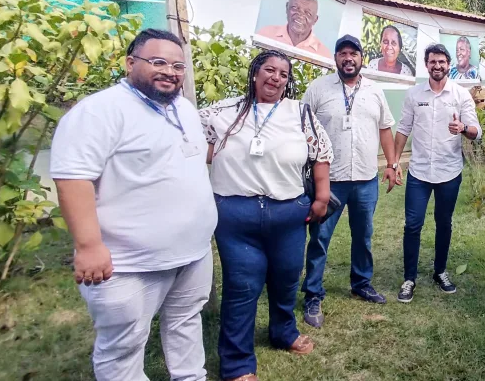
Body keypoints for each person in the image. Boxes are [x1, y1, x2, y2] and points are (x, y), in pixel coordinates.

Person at [50, 28, 217, 381]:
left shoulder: (183, 108)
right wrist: (88, 245)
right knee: (122, 349)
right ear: (130, 63)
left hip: (193, 254)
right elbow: (72, 179)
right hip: (128, 264)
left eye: (177, 66)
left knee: (186, 325)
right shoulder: (100, 112)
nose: (169, 72)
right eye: (158, 62)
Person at [199, 50, 334, 381]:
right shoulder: (223, 112)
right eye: (269, 70)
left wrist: (322, 196)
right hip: (236, 214)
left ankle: (283, 332)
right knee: (243, 284)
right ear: (255, 72)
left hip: (288, 212)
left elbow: (321, 152)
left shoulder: (300, 113)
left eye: (283, 74)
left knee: (287, 276)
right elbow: (188, 145)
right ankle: (237, 362)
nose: (276, 78)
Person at [301, 35, 398, 328]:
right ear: (335, 58)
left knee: (364, 235)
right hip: (328, 181)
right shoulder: (318, 89)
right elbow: (303, 128)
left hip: (366, 180)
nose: (348, 58)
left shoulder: (374, 91)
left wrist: (393, 164)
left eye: (353, 53)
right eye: (342, 53)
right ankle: (313, 294)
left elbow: (385, 129)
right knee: (319, 238)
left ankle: (361, 283)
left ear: (361, 59)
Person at [393, 44, 481, 302]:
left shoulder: (461, 95)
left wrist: (463, 127)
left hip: (449, 172)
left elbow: (477, 131)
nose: (437, 66)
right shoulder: (414, 95)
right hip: (419, 173)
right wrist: (394, 162)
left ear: (449, 63)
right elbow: (403, 129)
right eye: (433, 61)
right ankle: (409, 278)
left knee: (444, 224)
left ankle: (440, 271)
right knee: (413, 224)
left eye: (442, 61)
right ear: (426, 63)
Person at [257, 0, 333, 59]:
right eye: (295, 8)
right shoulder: (265, 34)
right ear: (287, 8)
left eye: (308, 13)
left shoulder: (324, 54)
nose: (300, 15)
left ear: (315, 20)